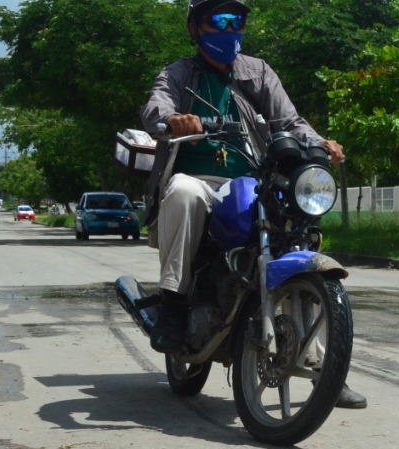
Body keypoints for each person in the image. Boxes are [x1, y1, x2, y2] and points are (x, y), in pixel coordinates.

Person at [140, 0, 366, 409]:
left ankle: (323, 368)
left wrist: (319, 142)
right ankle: (172, 303)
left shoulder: (257, 72)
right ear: (195, 28)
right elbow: (156, 106)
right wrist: (173, 119)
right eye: (218, 20)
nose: (229, 29)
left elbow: (290, 122)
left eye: (236, 20)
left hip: (251, 182)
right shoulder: (179, 73)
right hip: (198, 181)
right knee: (183, 193)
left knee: (298, 235)